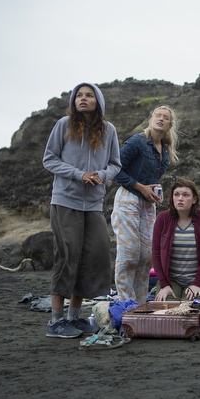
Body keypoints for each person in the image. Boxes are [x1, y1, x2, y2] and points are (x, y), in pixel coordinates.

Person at [42, 82, 121, 338]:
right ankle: (56, 321)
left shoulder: (108, 130)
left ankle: (74, 318)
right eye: (79, 95)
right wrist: (78, 174)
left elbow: (115, 164)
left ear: (98, 101)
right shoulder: (64, 125)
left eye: (89, 95)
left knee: (93, 256)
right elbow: (49, 159)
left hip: (94, 204)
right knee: (67, 256)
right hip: (65, 201)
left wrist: (101, 174)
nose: (83, 99)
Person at [112, 106, 179, 304]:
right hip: (128, 199)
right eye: (158, 115)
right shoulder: (137, 142)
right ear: (151, 119)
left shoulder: (165, 150)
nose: (161, 119)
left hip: (148, 204)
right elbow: (115, 170)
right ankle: (126, 303)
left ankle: (140, 303)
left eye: (165, 118)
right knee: (129, 253)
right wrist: (141, 187)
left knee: (147, 255)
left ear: (169, 125)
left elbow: (152, 178)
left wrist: (154, 191)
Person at [152, 179, 200, 302]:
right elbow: (156, 253)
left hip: (197, 279)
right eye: (176, 194)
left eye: (185, 195)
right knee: (168, 308)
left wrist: (198, 283)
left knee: (190, 309)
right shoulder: (163, 218)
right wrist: (164, 284)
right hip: (171, 280)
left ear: (194, 199)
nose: (180, 198)